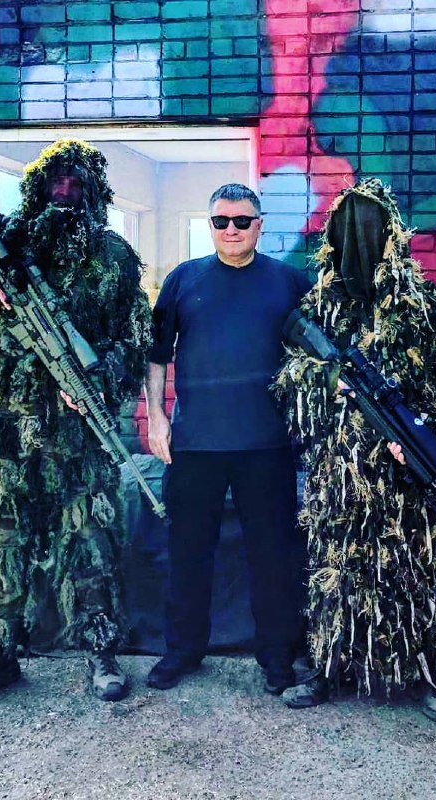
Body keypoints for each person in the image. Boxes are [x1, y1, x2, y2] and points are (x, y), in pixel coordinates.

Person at [0, 138, 152, 709]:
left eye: (77, 185)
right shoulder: (7, 239)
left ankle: (100, 651)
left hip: (80, 431)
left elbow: (135, 340)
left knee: (91, 541)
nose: (65, 193)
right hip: (9, 425)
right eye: (56, 182)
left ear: (95, 194)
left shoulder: (114, 256)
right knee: (3, 540)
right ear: (36, 189)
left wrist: (99, 382)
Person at [273, 179, 436, 722]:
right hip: (339, 467)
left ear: (392, 234)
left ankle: (424, 673)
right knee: (336, 568)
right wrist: (328, 379)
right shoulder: (318, 305)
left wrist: (424, 437)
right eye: (349, 227)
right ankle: (329, 667)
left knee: (410, 568)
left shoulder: (420, 304)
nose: (359, 240)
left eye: (371, 227)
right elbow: (287, 377)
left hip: (403, 473)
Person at [144, 183, 311, 695]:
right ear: (210, 225)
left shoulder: (290, 282)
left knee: (273, 556)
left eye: (242, 221)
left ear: (260, 225)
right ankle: (182, 651)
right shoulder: (183, 280)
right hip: (195, 445)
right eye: (221, 221)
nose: (231, 230)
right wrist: (156, 417)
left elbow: (314, 359)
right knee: (188, 553)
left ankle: (278, 657)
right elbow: (156, 354)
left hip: (268, 446)